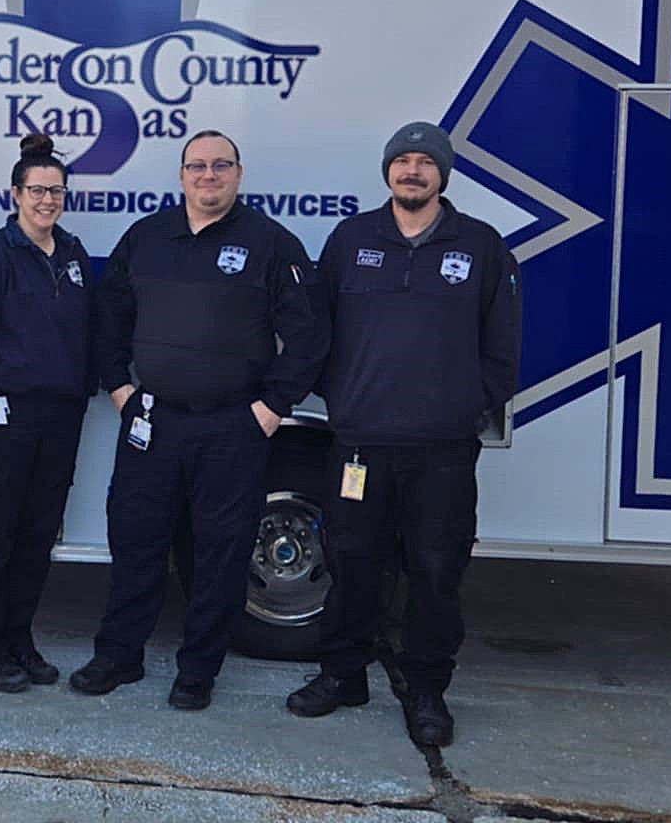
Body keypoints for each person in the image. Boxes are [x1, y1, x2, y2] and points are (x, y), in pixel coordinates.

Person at [70, 129, 328, 710]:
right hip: (152, 423)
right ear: (181, 176)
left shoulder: (270, 243)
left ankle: (198, 671)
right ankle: (118, 655)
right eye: (197, 166)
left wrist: (272, 407)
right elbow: (109, 318)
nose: (208, 175)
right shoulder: (146, 237)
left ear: (238, 174)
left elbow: (310, 336)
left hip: (232, 427)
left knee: (220, 553)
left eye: (220, 165)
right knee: (135, 541)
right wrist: (120, 388)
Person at [286, 120, 521, 748]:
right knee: (351, 561)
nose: (412, 170)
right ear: (388, 170)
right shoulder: (351, 239)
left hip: (442, 452)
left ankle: (426, 691)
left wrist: (466, 405)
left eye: (425, 162)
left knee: (436, 571)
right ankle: (342, 674)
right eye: (402, 161)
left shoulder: (480, 246)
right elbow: (317, 329)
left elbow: (503, 348)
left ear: (442, 174)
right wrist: (339, 397)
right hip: (360, 444)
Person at [0, 133, 95, 693]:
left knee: (37, 537)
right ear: (15, 194)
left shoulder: (74, 255)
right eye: (37, 190)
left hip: (59, 418)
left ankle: (19, 639)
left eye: (56, 191)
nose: (47, 201)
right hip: (6, 417)